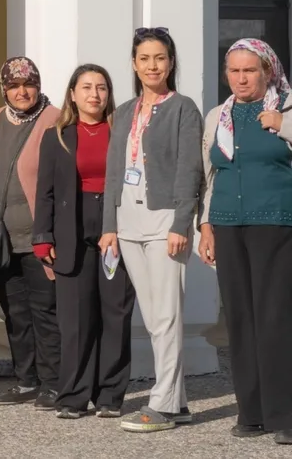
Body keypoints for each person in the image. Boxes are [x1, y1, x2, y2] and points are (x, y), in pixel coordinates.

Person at [99, 27, 203, 433]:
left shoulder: (183, 108)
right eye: (144, 58)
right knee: (152, 315)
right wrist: (110, 226)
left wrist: (182, 223)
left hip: (164, 225)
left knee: (166, 316)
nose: (152, 66)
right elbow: (112, 172)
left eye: (159, 58)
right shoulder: (124, 111)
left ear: (171, 62)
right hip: (128, 226)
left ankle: (162, 404)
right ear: (134, 63)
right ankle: (177, 404)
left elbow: (188, 170)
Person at [198, 39, 292, 445]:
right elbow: (210, 175)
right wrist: (205, 225)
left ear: (267, 71)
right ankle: (250, 412)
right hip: (227, 224)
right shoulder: (218, 116)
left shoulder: (286, 107)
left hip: (275, 223)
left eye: (249, 70)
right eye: (233, 70)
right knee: (238, 319)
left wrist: (281, 126)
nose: (240, 78)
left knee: (275, 319)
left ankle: (284, 413)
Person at [31, 65, 135, 420]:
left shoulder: (123, 132)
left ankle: (109, 395)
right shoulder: (56, 135)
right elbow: (44, 191)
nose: (95, 94)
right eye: (87, 87)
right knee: (74, 321)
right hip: (70, 232)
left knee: (115, 315)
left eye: (102, 87)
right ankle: (73, 396)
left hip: (116, 231)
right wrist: (42, 239)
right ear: (72, 94)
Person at [0, 57, 62, 410]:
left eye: (28, 84)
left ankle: (53, 382)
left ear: (38, 84)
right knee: (13, 311)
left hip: (41, 235)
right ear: (5, 89)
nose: (21, 91)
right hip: (4, 237)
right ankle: (25, 379)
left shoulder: (56, 118)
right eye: (14, 86)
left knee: (45, 310)